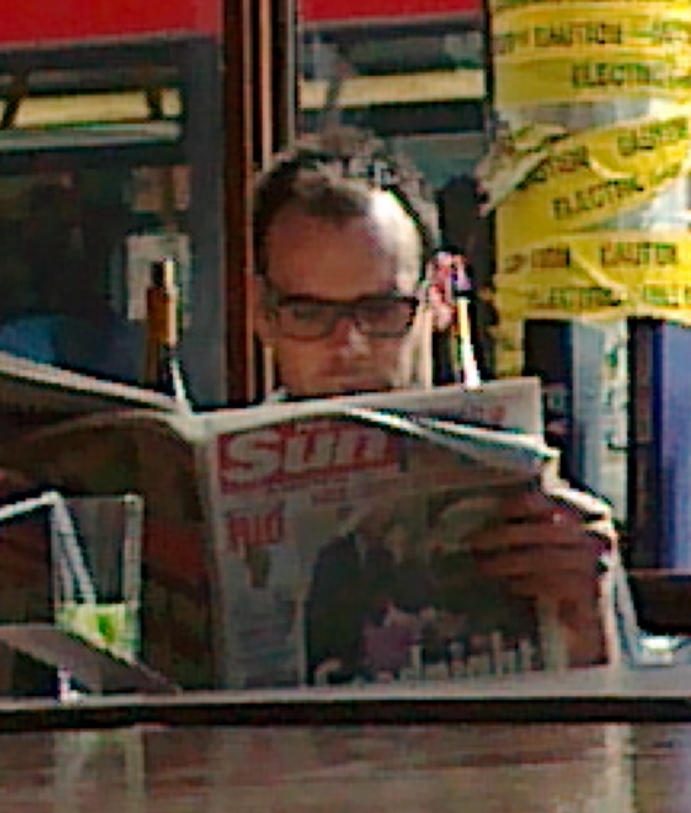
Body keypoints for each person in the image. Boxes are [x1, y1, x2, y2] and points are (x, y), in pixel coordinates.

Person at [252, 129, 621, 669]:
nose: (349, 346)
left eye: (381, 311)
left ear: (441, 295)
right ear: (261, 312)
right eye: (307, 313)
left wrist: (587, 615)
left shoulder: (525, 483)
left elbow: (618, 718)